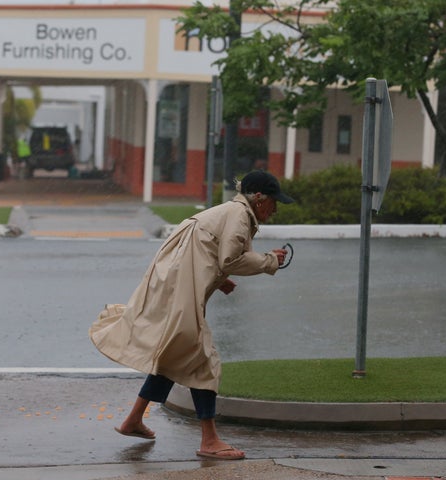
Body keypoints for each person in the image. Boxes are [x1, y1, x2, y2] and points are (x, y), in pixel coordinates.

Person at [89, 170, 294, 460]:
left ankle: (133, 420)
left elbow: (206, 249)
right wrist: (270, 260)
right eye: (274, 202)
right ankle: (209, 441)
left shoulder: (230, 211)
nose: (275, 209)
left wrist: (220, 278)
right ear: (259, 198)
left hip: (171, 284)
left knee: (175, 353)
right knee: (204, 362)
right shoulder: (239, 215)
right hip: (179, 291)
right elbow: (230, 257)